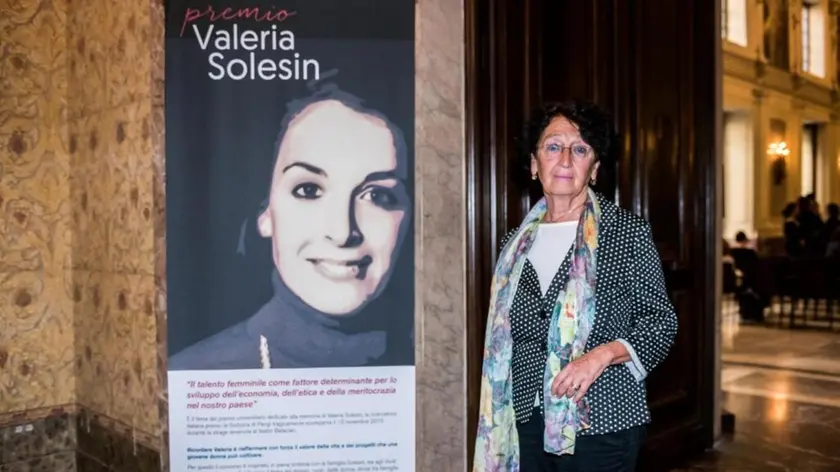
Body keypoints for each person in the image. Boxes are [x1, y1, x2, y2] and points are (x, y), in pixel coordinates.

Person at [473, 100, 678, 471]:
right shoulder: (513, 245)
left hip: (601, 422)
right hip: (523, 421)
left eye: (580, 149)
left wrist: (601, 355)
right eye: (553, 146)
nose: (565, 158)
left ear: (594, 168)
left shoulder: (626, 233)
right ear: (535, 164)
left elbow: (661, 323)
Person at [169, 85, 413, 370]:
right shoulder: (194, 374)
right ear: (265, 212)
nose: (343, 232)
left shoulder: (445, 374)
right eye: (309, 190)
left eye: (377, 196)